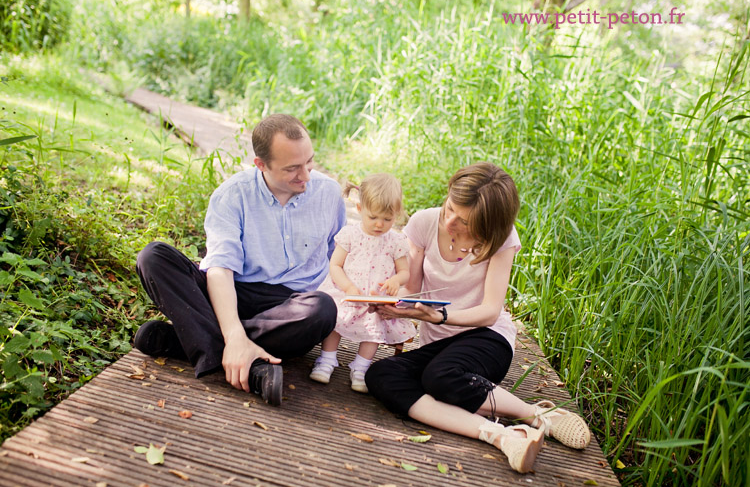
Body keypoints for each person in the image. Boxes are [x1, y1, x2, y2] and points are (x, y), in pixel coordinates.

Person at [365, 162, 591, 473]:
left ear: (488, 225)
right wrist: (394, 301)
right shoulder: (424, 223)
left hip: (486, 337)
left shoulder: (502, 239)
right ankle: (502, 435)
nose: (451, 220)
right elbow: (414, 287)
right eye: (450, 208)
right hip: (439, 346)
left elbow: (490, 311)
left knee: (440, 377)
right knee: (382, 375)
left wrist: (439, 316)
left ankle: (538, 416)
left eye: (465, 221)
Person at [134, 114, 347, 407]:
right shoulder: (233, 195)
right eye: (292, 168)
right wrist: (233, 333)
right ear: (261, 164)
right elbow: (219, 270)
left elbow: (336, 256)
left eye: (309, 162)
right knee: (154, 256)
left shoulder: (329, 194)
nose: (306, 175)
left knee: (322, 309)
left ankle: (190, 341)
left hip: (287, 311)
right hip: (229, 292)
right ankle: (253, 366)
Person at [309, 174, 415, 393]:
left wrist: (396, 279)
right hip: (348, 290)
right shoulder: (350, 234)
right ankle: (327, 359)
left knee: (373, 328)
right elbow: (335, 265)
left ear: (396, 214)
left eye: (387, 219)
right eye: (373, 217)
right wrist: (347, 286)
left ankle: (361, 367)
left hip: (374, 297)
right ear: (359, 208)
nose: (379, 224)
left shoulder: (395, 241)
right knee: (335, 319)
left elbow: (405, 272)